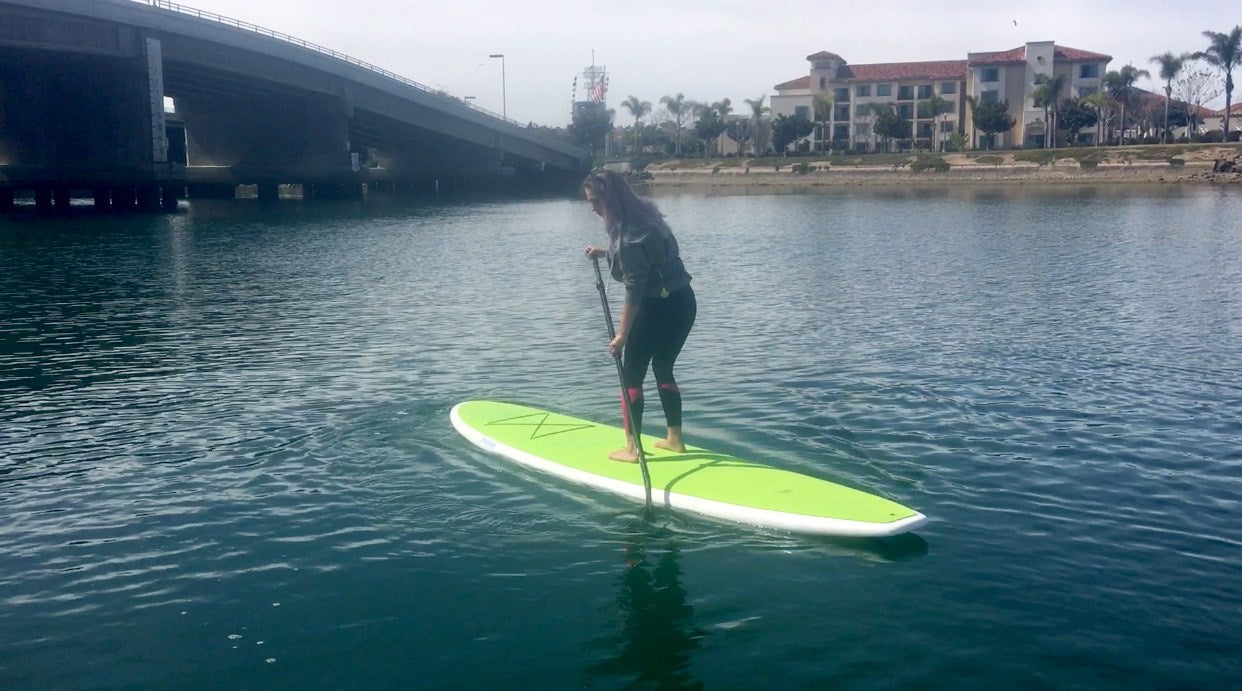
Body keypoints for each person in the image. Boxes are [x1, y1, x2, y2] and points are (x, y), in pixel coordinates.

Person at [583, 170, 696, 462]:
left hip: (655, 307)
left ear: (610, 200)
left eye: (595, 201)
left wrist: (622, 335)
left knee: (631, 374)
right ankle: (675, 439)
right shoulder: (647, 215)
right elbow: (649, 257)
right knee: (663, 367)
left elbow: (634, 288)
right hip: (683, 302)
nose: (592, 208)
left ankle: (632, 449)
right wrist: (606, 252)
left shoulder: (629, 237)